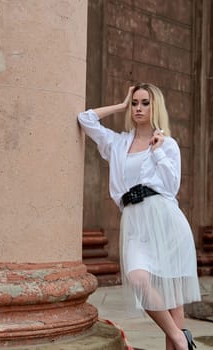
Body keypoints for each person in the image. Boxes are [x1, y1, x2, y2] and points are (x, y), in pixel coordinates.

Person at [78, 82, 201, 350]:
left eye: (145, 103)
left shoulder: (167, 145)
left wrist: (157, 152)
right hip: (135, 222)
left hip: (165, 220)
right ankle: (182, 338)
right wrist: (120, 104)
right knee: (138, 279)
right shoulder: (118, 142)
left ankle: (177, 342)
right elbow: (85, 119)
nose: (138, 108)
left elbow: (171, 187)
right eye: (135, 103)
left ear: (155, 106)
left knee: (173, 298)